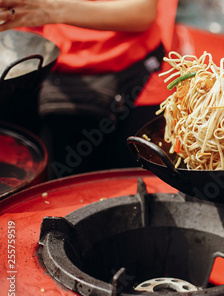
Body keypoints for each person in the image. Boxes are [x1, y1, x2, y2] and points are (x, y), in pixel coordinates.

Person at [0, 0, 177, 179]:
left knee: (145, 175)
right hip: (41, 59)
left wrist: (50, 9)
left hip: (131, 63)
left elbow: (143, 12)